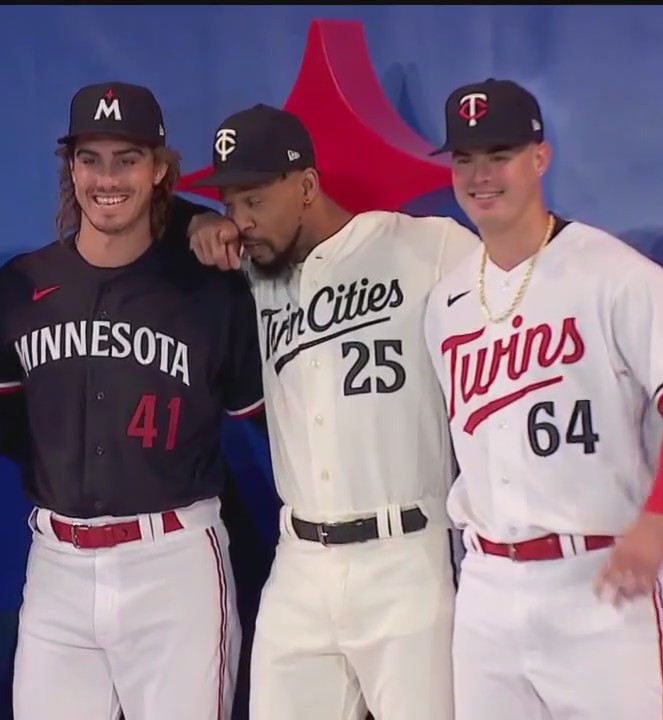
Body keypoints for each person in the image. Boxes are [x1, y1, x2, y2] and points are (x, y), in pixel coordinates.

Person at [0, 81, 267, 719]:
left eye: (127, 159)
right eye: (90, 158)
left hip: (175, 564)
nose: (107, 178)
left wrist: (198, 219)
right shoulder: (21, 286)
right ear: (70, 167)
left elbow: (269, 422)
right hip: (57, 564)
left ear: (160, 169)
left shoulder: (212, 292)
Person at [186, 104, 478, 720]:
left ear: (308, 186)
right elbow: (156, 225)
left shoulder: (428, 246)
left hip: (407, 555)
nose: (240, 222)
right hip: (300, 566)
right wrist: (196, 228)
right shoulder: (255, 274)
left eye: (255, 201)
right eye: (229, 204)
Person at [423, 78, 663, 719]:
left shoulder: (617, 274)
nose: (480, 175)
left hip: (602, 583)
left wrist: (659, 519)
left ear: (540, 157)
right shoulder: (447, 301)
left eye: (498, 154)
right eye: (464, 158)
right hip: (488, 589)